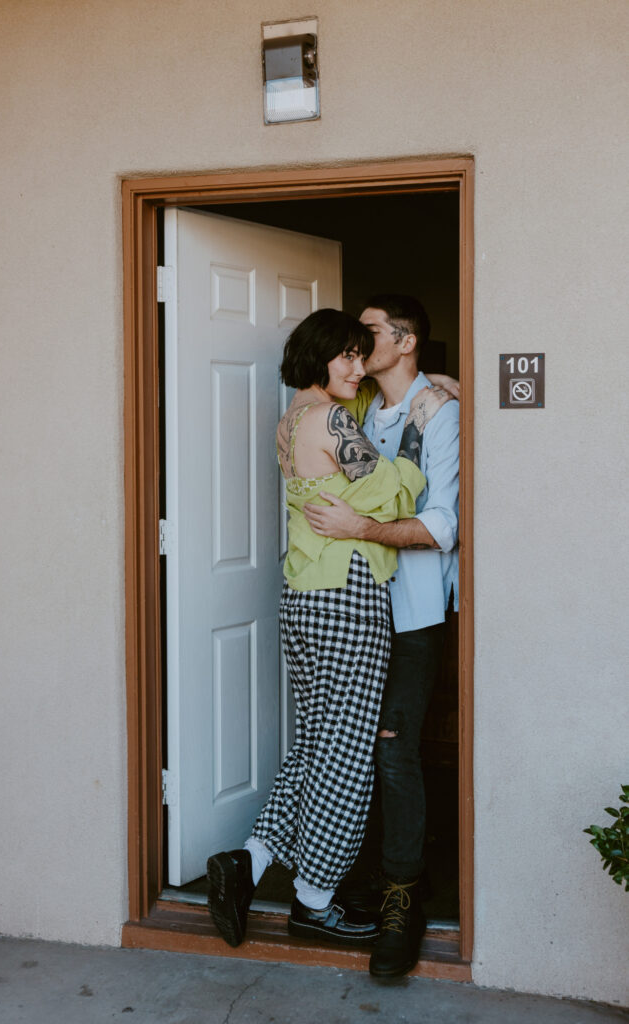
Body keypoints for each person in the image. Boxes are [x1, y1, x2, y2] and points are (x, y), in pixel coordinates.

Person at [206, 308, 452, 950]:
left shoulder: (290, 421)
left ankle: (249, 862)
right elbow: (398, 494)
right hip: (346, 599)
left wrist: (440, 382)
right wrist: (407, 470)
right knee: (348, 758)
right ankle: (314, 900)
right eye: (344, 356)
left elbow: (355, 478)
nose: (357, 366)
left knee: (317, 742)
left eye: (359, 353)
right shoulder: (335, 419)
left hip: (302, 596)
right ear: (320, 360)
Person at [303, 295, 460, 976]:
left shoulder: (443, 414)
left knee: (393, 749)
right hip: (353, 609)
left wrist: (360, 529)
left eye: (366, 334)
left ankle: (404, 896)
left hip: (412, 613)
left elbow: (441, 524)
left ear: (403, 340)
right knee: (347, 741)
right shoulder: (358, 410)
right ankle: (339, 879)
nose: (355, 345)